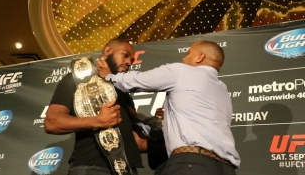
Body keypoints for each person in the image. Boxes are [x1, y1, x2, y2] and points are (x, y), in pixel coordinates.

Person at [96, 40, 241, 175]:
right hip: (226, 169)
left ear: (199, 57)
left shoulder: (183, 71)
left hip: (192, 165)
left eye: (188, 54)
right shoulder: (222, 90)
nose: (184, 59)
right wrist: (136, 117)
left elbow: (137, 81)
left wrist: (109, 76)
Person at [45, 39, 150, 175]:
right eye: (125, 55)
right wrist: (97, 121)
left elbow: (134, 140)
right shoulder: (77, 80)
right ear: (108, 52)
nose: (129, 62)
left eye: (131, 58)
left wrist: (175, 143)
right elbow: (52, 122)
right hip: (92, 168)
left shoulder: (123, 92)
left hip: (128, 170)